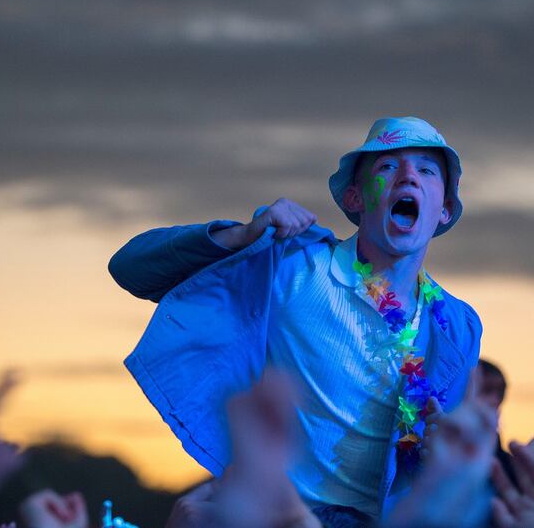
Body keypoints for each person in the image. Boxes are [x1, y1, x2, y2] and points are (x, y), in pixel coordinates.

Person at [108, 117, 482, 523]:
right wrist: (244, 237)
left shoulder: (457, 328)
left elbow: (445, 451)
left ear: (444, 209)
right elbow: (131, 268)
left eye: (427, 169)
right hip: (273, 514)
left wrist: (436, 455)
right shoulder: (294, 264)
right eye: (387, 167)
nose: (409, 177)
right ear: (355, 198)